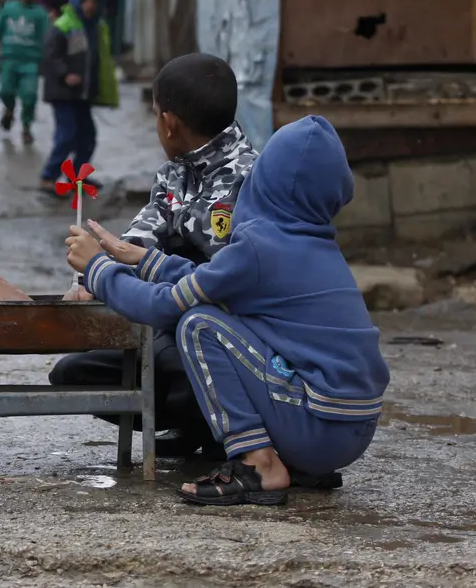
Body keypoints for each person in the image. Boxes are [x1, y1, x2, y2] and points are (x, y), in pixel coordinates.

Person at [66, 115, 389, 506]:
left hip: (318, 429)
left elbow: (163, 306)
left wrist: (97, 269)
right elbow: (213, 278)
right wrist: (144, 259)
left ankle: (258, 464)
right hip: (351, 428)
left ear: (265, 180)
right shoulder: (311, 243)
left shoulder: (258, 245)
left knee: (198, 324)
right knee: (224, 318)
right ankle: (288, 459)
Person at [49, 53, 255, 458]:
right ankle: (195, 425)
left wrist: (119, 277)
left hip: (222, 333)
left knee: (170, 356)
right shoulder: (174, 173)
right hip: (166, 319)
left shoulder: (252, 176)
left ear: (169, 122)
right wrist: (89, 278)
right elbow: (141, 237)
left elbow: (226, 280)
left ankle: (226, 432)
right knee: (72, 373)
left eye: (157, 113)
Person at [39, 0, 118, 193]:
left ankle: (76, 178)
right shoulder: (64, 25)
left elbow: (100, 59)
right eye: (85, 0)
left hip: (83, 93)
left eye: (94, 0)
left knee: (88, 137)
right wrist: (66, 74)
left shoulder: (97, 27)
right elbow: (50, 56)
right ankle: (48, 176)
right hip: (63, 92)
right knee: (67, 135)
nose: (89, 6)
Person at [0, 0, 50, 144]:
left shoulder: (40, 14)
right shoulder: (8, 9)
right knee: (6, 90)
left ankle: (26, 127)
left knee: (29, 95)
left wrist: (49, 56)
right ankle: (9, 109)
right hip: (9, 59)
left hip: (30, 62)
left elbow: (47, 37)